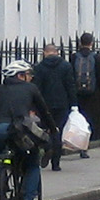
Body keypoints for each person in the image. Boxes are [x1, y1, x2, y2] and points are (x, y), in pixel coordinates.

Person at [0, 59, 53, 200]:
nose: (30, 77)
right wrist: (53, 128)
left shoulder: (0, 89)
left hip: (0, 129)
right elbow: (44, 111)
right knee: (32, 163)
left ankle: (3, 177)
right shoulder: (31, 88)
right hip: (21, 131)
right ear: (20, 75)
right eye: (27, 74)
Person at [33, 41, 78, 171]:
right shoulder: (66, 66)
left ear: (45, 53)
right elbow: (70, 86)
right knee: (57, 130)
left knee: (45, 130)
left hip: (44, 104)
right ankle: (56, 163)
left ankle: (48, 147)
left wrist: (35, 105)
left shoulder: (39, 67)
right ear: (57, 52)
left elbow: (37, 88)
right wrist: (74, 104)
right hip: (62, 103)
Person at [70, 33, 100, 158]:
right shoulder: (96, 57)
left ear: (79, 43)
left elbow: (70, 74)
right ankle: (84, 147)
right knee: (88, 118)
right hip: (91, 93)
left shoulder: (73, 57)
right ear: (91, 43)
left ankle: (73, 142)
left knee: (76, 118)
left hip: (76, 92)